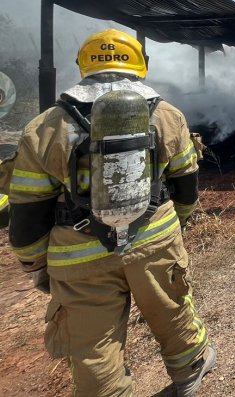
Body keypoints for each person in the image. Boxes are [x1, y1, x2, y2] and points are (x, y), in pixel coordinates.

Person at [7, 28, 215, 397]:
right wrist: (173, 226)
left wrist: (36, 265)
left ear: (82, 65)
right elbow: (186, 186)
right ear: (141, 64)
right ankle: (190, 371)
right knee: (171, 307)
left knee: (92, 346)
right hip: (154, 238)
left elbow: (27, 212)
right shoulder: (167, 115)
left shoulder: (44, 127)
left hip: (78, 255)